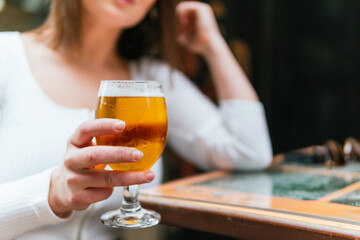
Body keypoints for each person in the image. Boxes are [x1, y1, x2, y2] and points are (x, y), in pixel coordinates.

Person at [0, 0, 272, 239]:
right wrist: (52, 192)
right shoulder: (7, 56)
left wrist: (213, 45)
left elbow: (249, 152)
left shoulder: (149, 82)